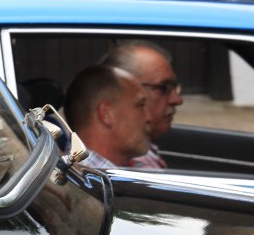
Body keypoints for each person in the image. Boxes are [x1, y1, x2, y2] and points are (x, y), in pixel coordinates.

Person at [100, 39, 181, 169]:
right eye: (163, 87)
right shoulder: (138, 166)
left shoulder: (140, 153)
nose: (177, 100)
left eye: (175, 88)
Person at [63, 64, 151, 170]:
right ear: (106, 114)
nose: (148, 118)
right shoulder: (90, 179)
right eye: (140, 106)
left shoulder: (76, 174)